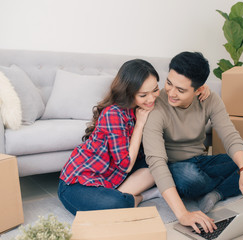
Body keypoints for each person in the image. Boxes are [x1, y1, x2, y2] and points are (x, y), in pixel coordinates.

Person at [58, 59, 210, 215]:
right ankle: (140, 197)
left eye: (155, 90)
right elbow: (125, 165)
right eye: (143, 94)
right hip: (80, 182)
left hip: (115, 177)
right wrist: (139, 125)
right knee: (114, 205)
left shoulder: (146, 104)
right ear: (129, 93)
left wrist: (200, 91)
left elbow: (177, 95)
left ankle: (121, 196)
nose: (151, 98)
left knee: (158, 164)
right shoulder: (113, 113)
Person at [142, 52, 243, 234]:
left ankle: (215, 193)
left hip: (202, 162)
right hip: (175, 166)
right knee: (190, 178)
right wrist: (183, 214)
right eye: (169, 83)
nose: (171, 93)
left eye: (180, 90)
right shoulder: (157, 105)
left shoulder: (209, 99)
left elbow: (230, 136)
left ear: (198, 90)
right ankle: (224, 186)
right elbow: (156, 161)